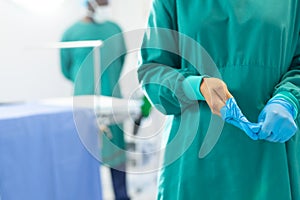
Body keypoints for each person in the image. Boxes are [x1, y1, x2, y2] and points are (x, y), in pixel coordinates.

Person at [138, 0, 300, 199]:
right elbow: (152, 70)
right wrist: (196, 86)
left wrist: (288, 98)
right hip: (196, 156)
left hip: (272, 157)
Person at [60, 0, 130, 199]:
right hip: (83, 106)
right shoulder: (70, 34)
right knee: (84, 160)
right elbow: (66, 69)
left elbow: (121, 61)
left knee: (117, 157)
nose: (107, 3)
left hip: (112, 103)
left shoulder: (115, 29)